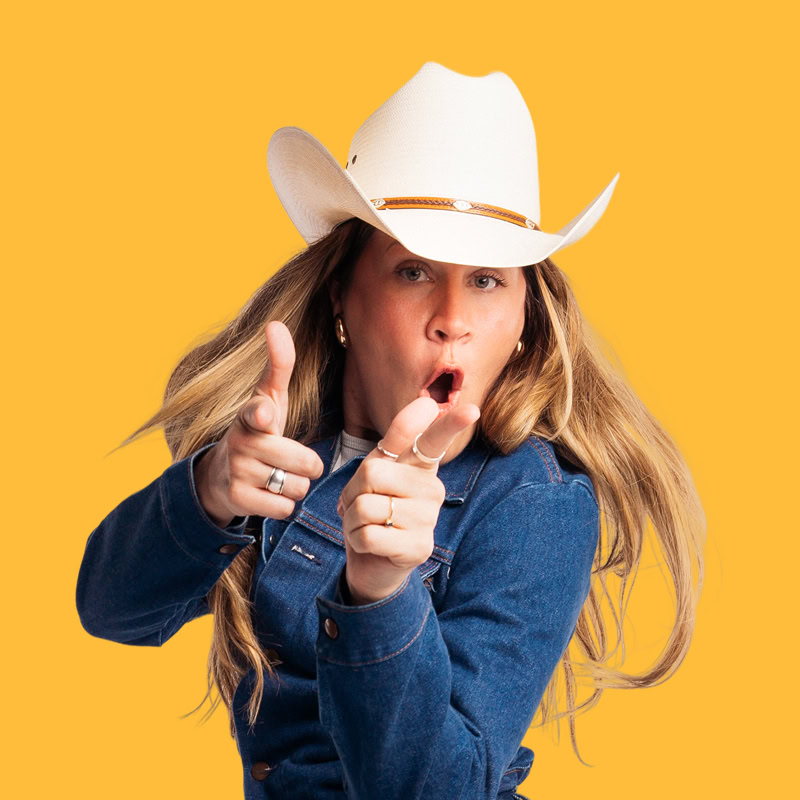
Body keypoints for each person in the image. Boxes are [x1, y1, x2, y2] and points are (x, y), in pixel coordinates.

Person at [75, 62, 706, 799]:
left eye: (487, 279)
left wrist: (381, 592)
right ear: (343, 294)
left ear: (525, 323)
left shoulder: (536, 501)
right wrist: (209, 490)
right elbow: (111, 610)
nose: (453, 317)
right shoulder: (284, 447)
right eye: (414, 271)